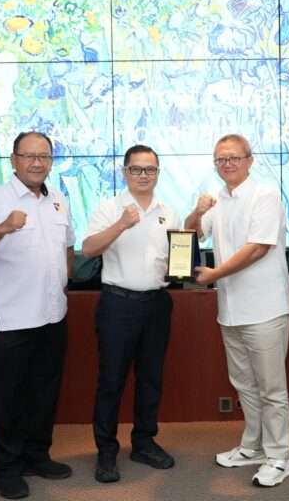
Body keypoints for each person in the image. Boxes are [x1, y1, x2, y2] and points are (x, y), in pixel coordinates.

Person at [0, 132, 75, 500]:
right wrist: (2, 228)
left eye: (44, 156)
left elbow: (67, 246)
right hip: (13, 318)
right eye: (29, 156)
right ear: (14, 160)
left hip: (53, 314)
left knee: (45, 393)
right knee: (10, 398)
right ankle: (7, 468)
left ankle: (37, 456)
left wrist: (63, 280)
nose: (37, 163)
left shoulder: (57, 199)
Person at [184, 134, 289, 488]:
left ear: (250, 160)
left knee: (271, 388)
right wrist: (198, 211)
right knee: (244, 385)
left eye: (234, 157)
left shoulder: (265, 195)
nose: (227, 164)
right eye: (221, 159)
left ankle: (278, 456)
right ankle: (253, 446)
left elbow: (258, 247)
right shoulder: (218, 201)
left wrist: (215, 274)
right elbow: (191, 234)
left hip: (265, 309)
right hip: (230, 310)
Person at [81, 145, 179, 484]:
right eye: (136, 169)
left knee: (151, 378)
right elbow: (88, 249)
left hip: (157, 304)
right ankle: (106, 450)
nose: (143, 175)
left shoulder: (168, 212)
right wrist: (121, 224)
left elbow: (176, 257)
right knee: (112, 380)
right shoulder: (109, 208)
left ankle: (144, 442)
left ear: (157, 173)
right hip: (118, 305)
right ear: (125, 172)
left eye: (150, 169)